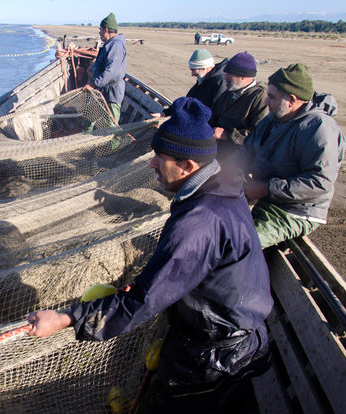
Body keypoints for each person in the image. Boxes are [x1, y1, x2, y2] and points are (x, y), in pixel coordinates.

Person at [27, 97, 273, 413]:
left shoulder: (200, 221)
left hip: (216, 357)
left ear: (188, 166)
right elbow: (192, 270)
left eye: (160, 157)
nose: (151, 163)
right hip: (237, 337)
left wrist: (64, 318)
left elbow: (143, 302)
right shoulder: (222, 185)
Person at [231, 63, 345, 248]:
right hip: (267, 200)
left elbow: (319, 183)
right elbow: (245, 154)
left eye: (271, 97)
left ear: (291, 100)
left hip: (295, 211)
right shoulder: (271, 120)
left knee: (238, 244)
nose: (266, 102)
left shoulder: (319, 129)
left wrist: (267, 188)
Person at [209, 51, 268, 160]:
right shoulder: (229, 92)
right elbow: (213, 118)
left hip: (237, 160)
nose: (225, 78)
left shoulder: (260, 97)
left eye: (229, 75)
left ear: (243, 76)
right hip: (216, 152)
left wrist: (227, 135)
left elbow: (259, 135)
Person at [84, 12, 127, 123]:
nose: (99, 33)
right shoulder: (109, 44)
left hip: (112, 93)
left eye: (100, 30)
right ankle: (87, 138)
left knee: (111, 126)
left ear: (106, 30)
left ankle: (113, 141)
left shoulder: (116, 45)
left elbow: (111, 71)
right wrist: (94, 69)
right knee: (88, 120)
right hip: (101, 90)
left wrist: (93, 83)